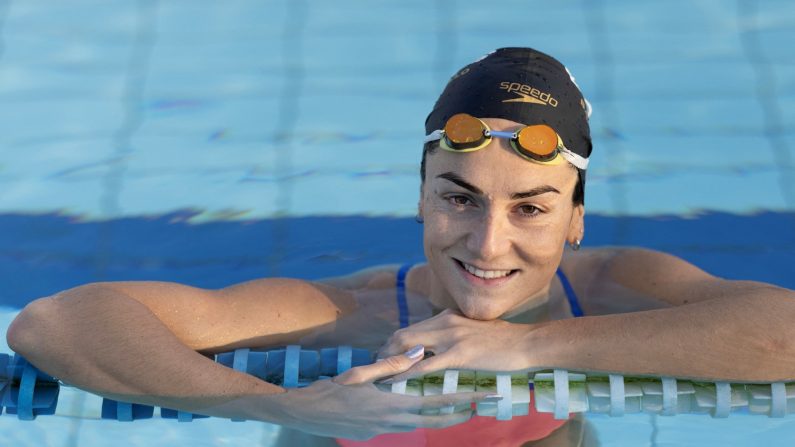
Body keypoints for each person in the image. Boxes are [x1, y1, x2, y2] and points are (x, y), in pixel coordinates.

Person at [7, 48, 795, 446]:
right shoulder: (350, 310)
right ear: (419, 198)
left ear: (576, 218)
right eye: (459, 198)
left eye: (531, 207)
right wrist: (279, 400)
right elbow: (54, 322)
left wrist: (529, 347)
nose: (488, 243)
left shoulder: (617, 286)